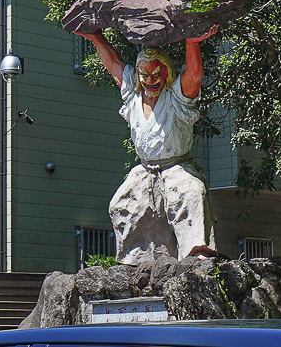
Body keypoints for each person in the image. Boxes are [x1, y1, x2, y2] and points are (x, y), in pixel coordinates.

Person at [77, 25, 220, 263]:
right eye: (144, 74)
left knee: (192, 193)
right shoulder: (132, 97)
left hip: (177, 168)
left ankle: (197, 255)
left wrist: (192, 43)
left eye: (156, 74)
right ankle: (133, 260)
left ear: (167, 74)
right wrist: (94, 36)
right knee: (121, 204)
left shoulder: (176, 98)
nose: (150, 80)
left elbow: (193, 75)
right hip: (144, 170)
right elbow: (114, 65)